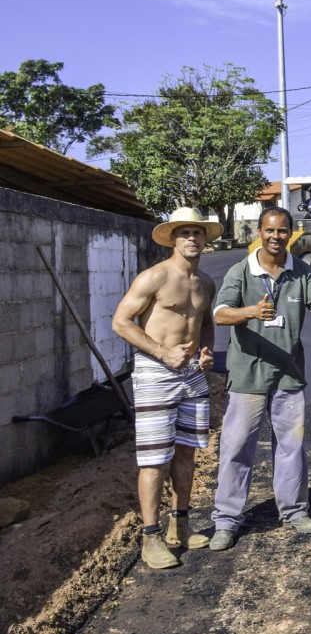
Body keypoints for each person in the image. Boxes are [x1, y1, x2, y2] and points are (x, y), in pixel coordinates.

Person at [209, 207, 311, 550]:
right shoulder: (241, 271)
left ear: (291, 234)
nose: (276, 237)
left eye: (282, 231)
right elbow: (220, 314)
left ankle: (294, 511)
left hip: (288, 375)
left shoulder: (300, 271)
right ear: (259, 233)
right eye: (269, 230)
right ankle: (226, 520)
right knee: (237, 448)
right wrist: (251, 311)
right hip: (249, 374)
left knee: (292, 447)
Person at [112, 207, 220, 569]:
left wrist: (206, 354)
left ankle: (181, 525)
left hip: (191, 374)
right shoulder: (154, 277)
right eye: (185, 232)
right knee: (155, 459)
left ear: (206, 239)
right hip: (156, 372)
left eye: (198, 232)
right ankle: (151, 537)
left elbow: (205, 323)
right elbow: (121, 322)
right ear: (173, 238)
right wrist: (162, 352)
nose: (192, 238)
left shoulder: (206, 282)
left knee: (187, 452)